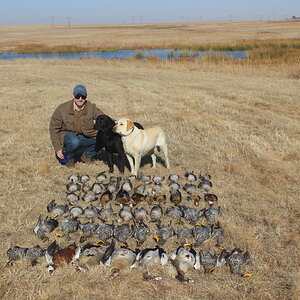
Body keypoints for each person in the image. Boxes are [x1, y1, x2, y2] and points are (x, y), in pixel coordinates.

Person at [49, 84, 104, 167]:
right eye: (78, 96)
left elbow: (103, 118)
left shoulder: (91, 107)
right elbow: (53, 129)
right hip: (68, 137)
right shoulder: (62, 109)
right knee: (74, 141)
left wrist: (116, 123)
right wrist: (58, 149)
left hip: (84, 136)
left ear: (86, 96)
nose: (80, 99)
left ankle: (86, 156)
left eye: (83, 96)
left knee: (104, 138)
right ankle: (69, 158)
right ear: (73, 96)